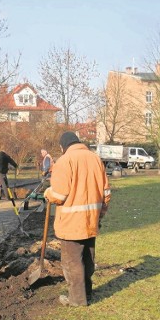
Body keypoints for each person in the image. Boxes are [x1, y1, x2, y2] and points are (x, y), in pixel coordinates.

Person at [44, 132, 111, 307]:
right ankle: (87, 293)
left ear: (62, 146)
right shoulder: (95, 159)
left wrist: (47, 193)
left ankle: (77, 300)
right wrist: (100, 215)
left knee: (72, 262)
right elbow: (106, 193)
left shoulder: (64, 161)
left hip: (71, 223)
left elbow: (59, 195)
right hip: (91, 221)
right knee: (88, 258)